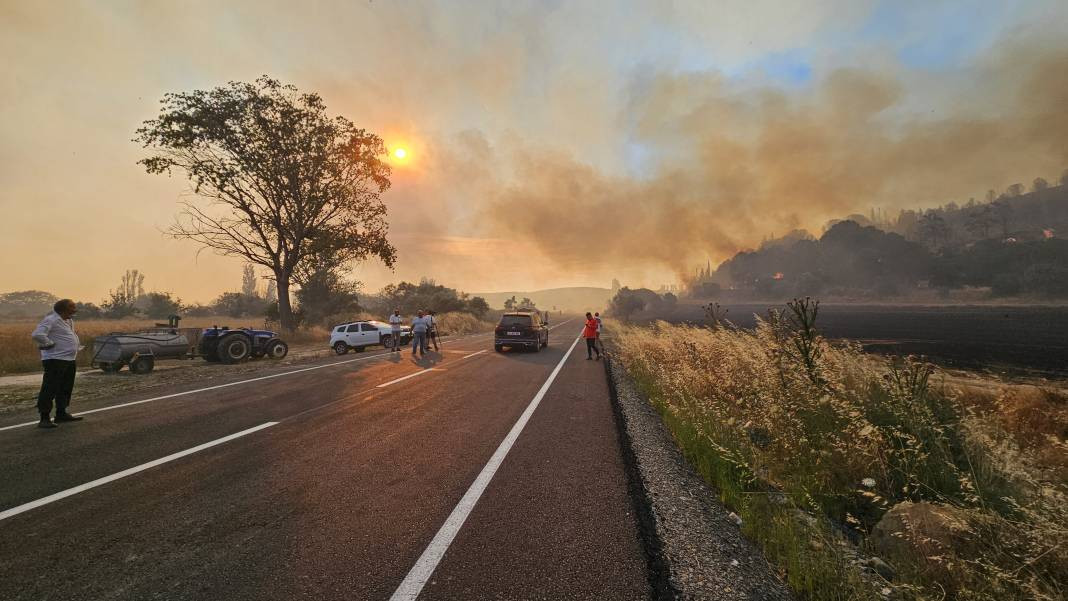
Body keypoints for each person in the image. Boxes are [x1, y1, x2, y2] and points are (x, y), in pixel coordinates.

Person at [31, 299, 83, 428]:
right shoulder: (51, 319)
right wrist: (49, 343)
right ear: (63, 309)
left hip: (69, 359)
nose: (75, 309)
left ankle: (61, 413)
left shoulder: (69, 321)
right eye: (72, 307)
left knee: (65, 387)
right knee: (50, 388)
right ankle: (44, 418)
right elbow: (37, 334)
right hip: (55, 359)